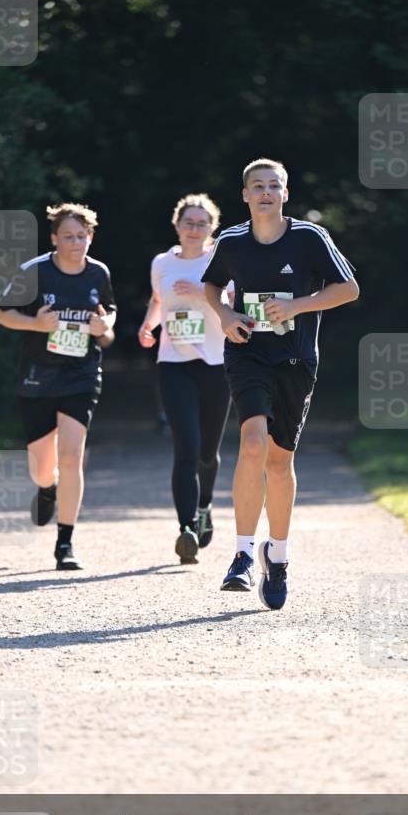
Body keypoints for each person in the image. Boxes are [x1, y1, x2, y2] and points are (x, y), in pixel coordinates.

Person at [202, 158, 359, 609]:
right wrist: (227, 315)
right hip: (248, 353)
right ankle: (243, 555)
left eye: (274, 185)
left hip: (294, 360)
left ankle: (279, 555)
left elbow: (348, 289)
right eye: (258, 186)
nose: (266, 192)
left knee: (278, 460)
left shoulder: (309, 237)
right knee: (252, 443)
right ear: (245, 195)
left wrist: (297, 306)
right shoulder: (231, 241)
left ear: (285, 194)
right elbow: (212, 287)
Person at [0, 203, 116, 570]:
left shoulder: (98, 272)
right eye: (68, 237)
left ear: (90, 237)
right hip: (38, 376)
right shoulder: (35, 272)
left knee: (73, 454)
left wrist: (104, 328)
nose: (76, 243)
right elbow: (0, 313)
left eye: (82, 236)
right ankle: (47, 489)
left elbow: (108, 313)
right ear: (54, 239)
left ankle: (65, 543)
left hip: (82, 374)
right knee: (43, 467)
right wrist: (35, 324)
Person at [139, 194, 232, 565]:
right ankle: (187, 528)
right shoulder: (161, 262)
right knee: (186, 449)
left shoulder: (220, 260)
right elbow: (157, 299)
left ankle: (206, 504)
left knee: (208, 453)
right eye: (188, 222)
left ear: (212, 228)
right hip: (173, 362)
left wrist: (204, 293)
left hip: (216, 363)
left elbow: (235, 304)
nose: (194, 229)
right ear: (177, 225)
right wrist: (149, 324)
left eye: (202, 223)